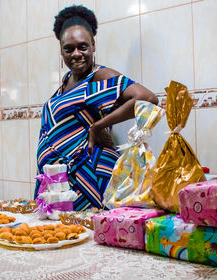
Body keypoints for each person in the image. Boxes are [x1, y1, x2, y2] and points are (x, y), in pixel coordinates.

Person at [35, 5, 158, 211]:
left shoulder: (99, 76)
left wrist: (98, 127)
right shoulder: (67, 81)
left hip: (89, 178)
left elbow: (147, 98)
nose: (76, 54)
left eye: (83, 47)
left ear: (93, 46)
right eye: (69, 48)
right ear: (61, 51)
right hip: (60, 183)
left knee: (87, 237)